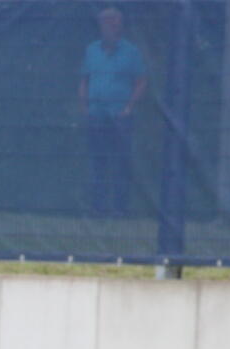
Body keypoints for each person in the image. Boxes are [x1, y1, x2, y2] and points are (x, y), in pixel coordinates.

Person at [79, 7, 147, 216]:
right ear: (101, 26)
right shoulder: (91, 50)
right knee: (98, 162)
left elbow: (141, 81)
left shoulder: (131, 52)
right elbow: (84, 80)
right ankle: (98, 208)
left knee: (121, 162)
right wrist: (84, 107)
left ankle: (120, 210)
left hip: (120, 117)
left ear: (121, 26)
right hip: (96, 114)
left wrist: (128, 107)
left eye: (115, 23)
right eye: (107, 23)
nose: (112, 27)